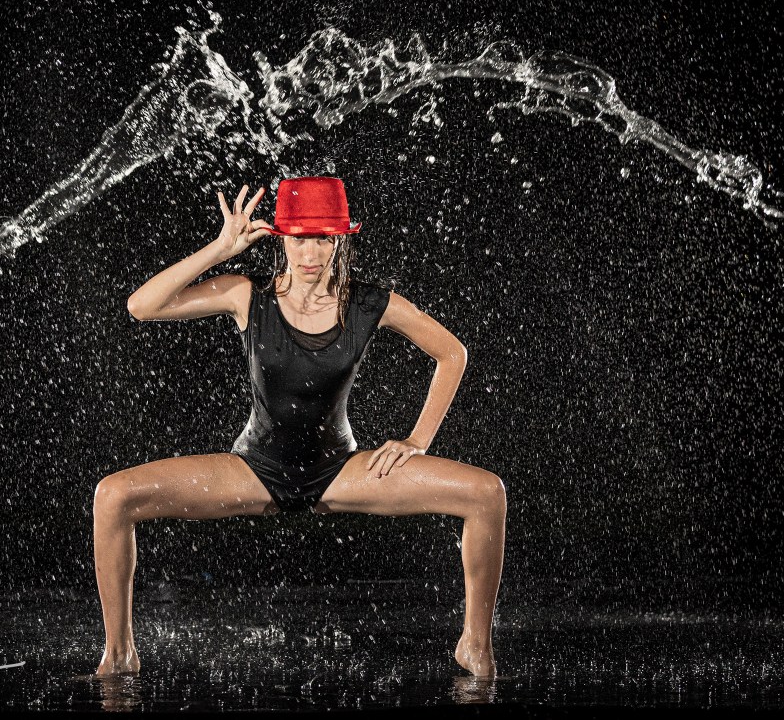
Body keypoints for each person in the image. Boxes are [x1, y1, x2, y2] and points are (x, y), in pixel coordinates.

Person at [93, 176, 506, 679]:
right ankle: (118, 654)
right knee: (112, 497)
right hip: (254, 468)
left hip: (340, 469)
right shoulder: (247, 296)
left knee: (487, 494)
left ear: (340, 240)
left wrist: (417, 440)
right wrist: (219, 249)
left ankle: (476, 647)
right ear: (280, 238)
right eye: (299, 238)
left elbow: (452, 353)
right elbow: (142, 306)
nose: (309, 252)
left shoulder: (369, 303)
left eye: (323, 238)